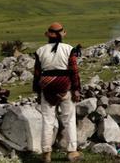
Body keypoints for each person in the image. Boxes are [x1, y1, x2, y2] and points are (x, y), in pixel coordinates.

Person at [33, 22, 82, 162]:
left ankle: (46, 153)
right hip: (65, 88)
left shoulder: (40, 51)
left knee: (48, 121)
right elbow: (74, 71)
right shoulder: (69, 49)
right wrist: (76, 89)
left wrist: (38, 92)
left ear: (48, 35)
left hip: (46, 88)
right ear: (62, 34)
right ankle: (72, 151)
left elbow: (37, 74)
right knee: (69, 119)